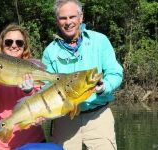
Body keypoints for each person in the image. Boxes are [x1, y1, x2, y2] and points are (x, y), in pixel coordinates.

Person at [41, 0, 123, 150]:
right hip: (64, 119)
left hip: (98, 115)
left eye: (72, 17)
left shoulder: (100, 41)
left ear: (81, 17)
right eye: (63, 18)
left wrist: (105, 86)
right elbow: (46, 87)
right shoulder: (49, 52)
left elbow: (115, 72)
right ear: (57, 21)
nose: (68, 22)